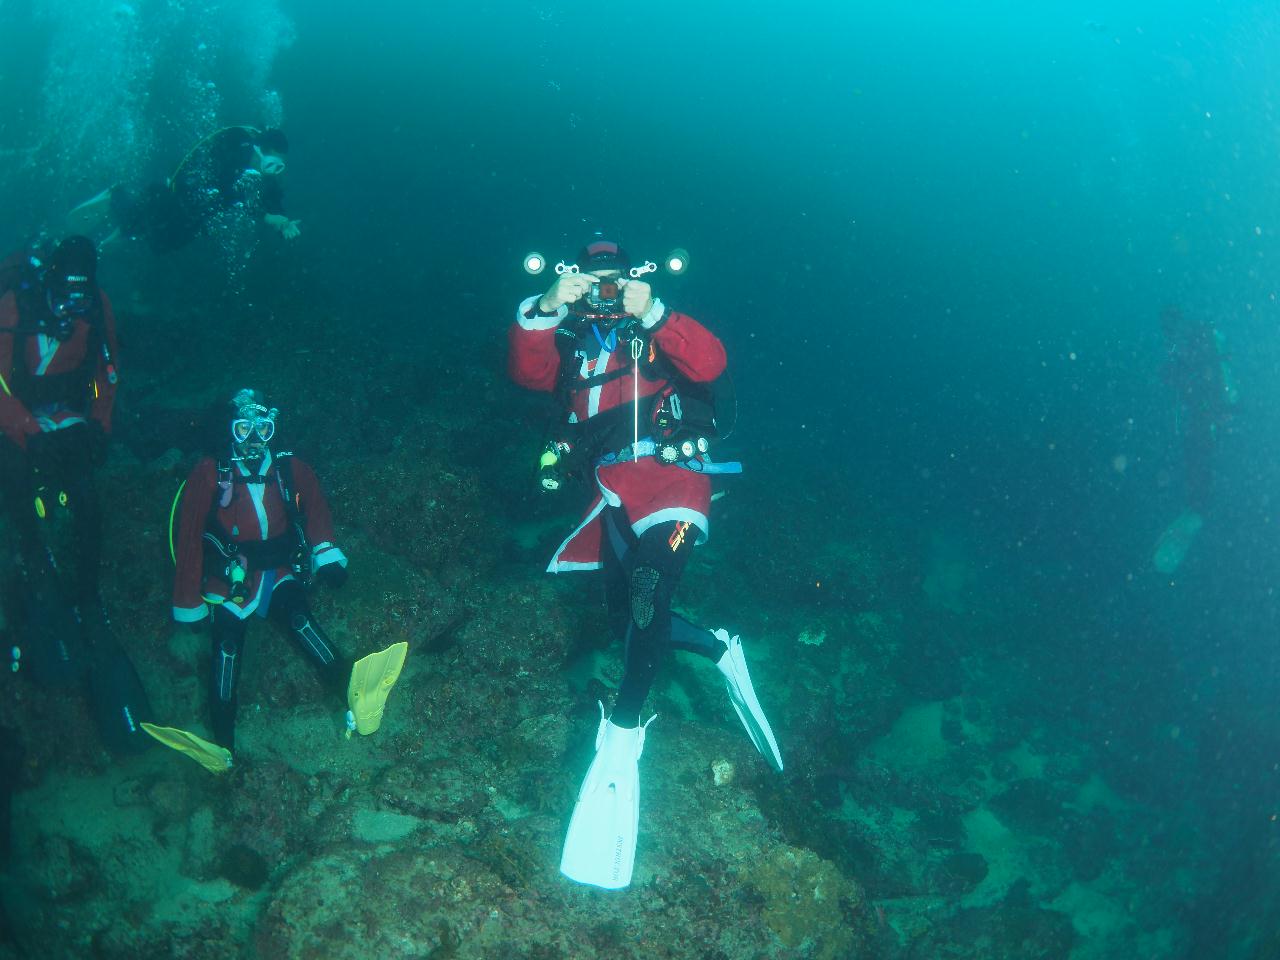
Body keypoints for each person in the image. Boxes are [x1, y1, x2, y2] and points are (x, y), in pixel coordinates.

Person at [508, 236, 783, 890]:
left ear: (630, 282)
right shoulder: (569, 341)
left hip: (675, 487)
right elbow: (526, 374)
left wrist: (655, 310)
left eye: (615, 284)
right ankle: (715, 646)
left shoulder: (655, 331)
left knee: (650, 590)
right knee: (625, 620)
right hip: (611, 497)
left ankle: (623, 734)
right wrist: (547, 305)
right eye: (593, 284)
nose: (605, 296)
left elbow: (713, 364)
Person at [144, 389, 405, 774]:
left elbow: (315, 508)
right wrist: (189, 603)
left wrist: (327, 554)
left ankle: (352, 697)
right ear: (229, 429)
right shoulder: (208, 473)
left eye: (263, 429)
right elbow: (188, 535)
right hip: (229, 584)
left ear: (273, 430)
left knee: (302, 622)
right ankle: (221, 745)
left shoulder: (289, 468)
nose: (253, 438)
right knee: (227, 650)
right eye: (244, 427)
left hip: (279, 572)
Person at [0, 235, 152, 754]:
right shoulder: (14, 305)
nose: (72, 307)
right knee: (16, 484)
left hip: (64, 416)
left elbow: (108, 373)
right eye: (65, 296)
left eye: (81, 298)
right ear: (48, 285)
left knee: (85, 500)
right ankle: (34, 564)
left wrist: (100, 427)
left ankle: (87, 594)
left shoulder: (98, 305)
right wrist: (25, 428)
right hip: (16, 413)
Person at [68, 126, 301, 253]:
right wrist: (267, 217)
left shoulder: (261, 172)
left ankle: (126, 231)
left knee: (165, 244)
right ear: (261, 148)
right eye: (273, 162)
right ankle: (116, 195)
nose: (273, 170)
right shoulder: (237, 143)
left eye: (279, 167)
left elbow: (272, 197)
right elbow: (222, 190)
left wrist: (283, 223)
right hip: (175, 195)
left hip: (197, 211)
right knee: (149, 220)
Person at [1152, 306, 1237, 574]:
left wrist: (1172, 373)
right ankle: (1197, 509)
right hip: (1207, 417)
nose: (1166, 333)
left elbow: (1190, 377)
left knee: (1198, 460)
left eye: (1167, 326)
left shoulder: (1190, 339)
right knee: (1199, 462)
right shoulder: (1196, 337)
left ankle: (1197, 511)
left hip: (1203, 416)